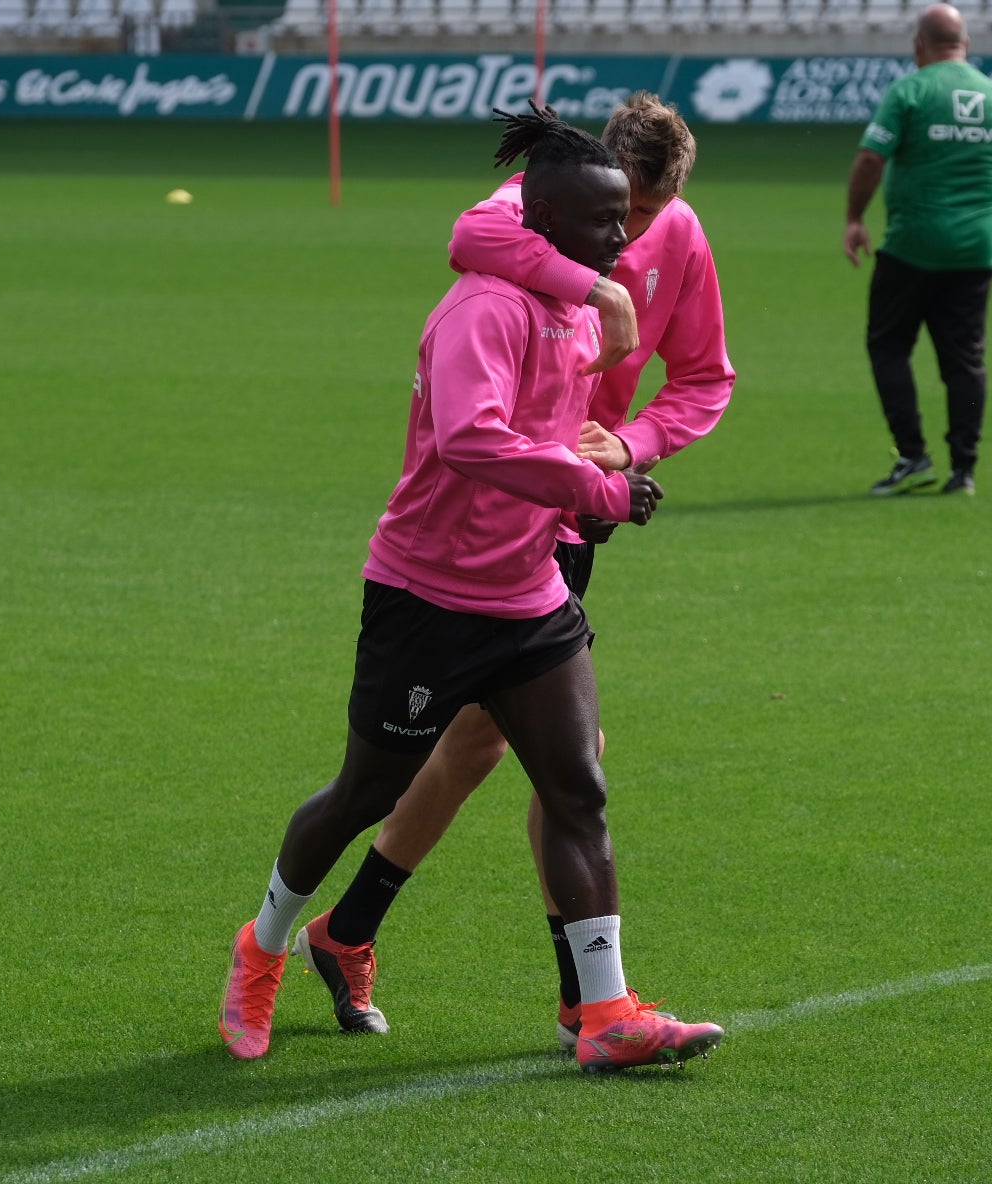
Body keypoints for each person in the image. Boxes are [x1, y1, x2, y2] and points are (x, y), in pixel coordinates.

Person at [217, 104, 724, 1074]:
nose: (630, 242)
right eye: (614, 219)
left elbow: (701, 377)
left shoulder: (605, 288)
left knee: (575, 776)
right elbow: (472, 436)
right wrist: (594, 480)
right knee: (376, 782)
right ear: (551, 215)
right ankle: (275, 941)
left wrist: (625, 450)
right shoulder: (488, 298)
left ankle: (599, 1006)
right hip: (436, 581)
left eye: (645, 217)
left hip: (540, 555)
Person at [843, 2, 992, 498]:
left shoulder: (910, 90)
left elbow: (869, 159)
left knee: (887, 346)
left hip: (911, 245)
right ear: (965, 45)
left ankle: (913, 455)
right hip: (975, 250)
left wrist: (855, 218)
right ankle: (964, 469)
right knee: (965, 361)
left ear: (918, 47)